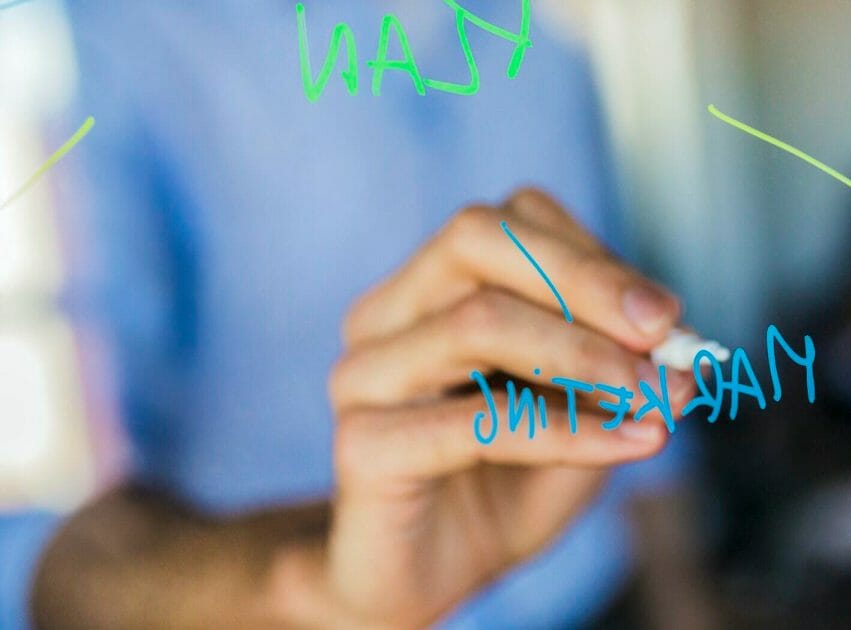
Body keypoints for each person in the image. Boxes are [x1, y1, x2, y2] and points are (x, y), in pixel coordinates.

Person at [1, 2, 712, 627]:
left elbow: (621, 338)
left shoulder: (546, 36)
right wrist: (303, 586)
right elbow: (48, 541)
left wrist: (682, 598)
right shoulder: (112, 38)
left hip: (584, 592)